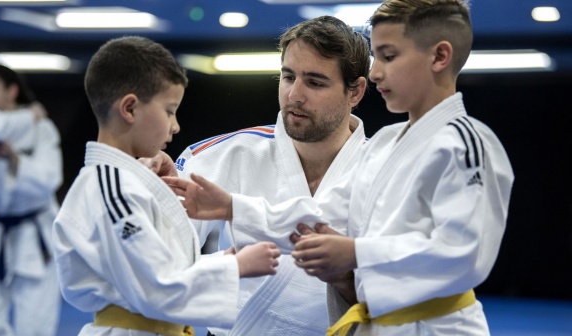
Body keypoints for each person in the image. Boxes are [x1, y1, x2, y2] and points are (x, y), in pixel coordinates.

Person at [170, 0, 515, 335]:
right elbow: (320, 216)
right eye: (377, 56)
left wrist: (355, 252)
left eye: (388, 56)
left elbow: (465, 255)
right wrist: (234, 207)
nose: (377, 71)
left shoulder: (467, 143)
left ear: (439, 57)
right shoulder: (386, 144)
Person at [51, 36, 281, 336]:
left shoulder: (123, 183)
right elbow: (156, 285)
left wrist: (223, 259)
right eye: (170, 111)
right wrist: (235, 267)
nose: (176, 126)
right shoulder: (110, 189)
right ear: (130, 109)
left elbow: (156, 264)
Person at [159, 15, 369, 336]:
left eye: (315, 82)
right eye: (288, 77)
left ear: (355, 92)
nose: (294, 95)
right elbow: (154, 265)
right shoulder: (221, 156)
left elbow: (405, 296)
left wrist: (344, 278)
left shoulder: (386, 169)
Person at [0, 63, 63, 335]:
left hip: (35, 236)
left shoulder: (41, 128)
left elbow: (49, 180)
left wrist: (14, 159)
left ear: (11, 91)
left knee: (34, 329)